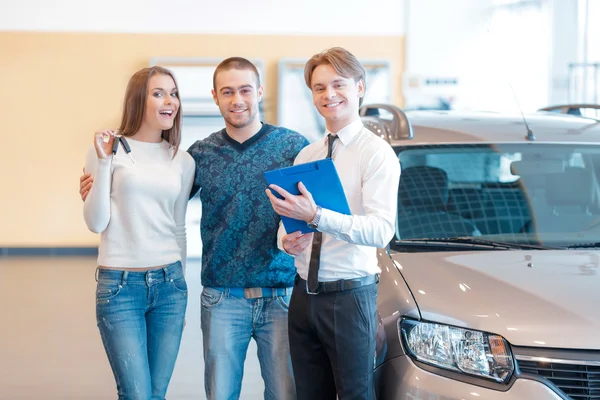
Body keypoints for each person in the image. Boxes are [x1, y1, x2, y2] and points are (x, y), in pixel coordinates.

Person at [80, 57, 309, 400]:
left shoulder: (292, 146)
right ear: (215, 97)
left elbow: (314, 208)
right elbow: (141, 205)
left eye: (245, 90)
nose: (237, 100)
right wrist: (97, 185)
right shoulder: (200, 154)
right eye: (227, 92)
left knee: (285, 393)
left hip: (279, 294)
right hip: (219, 297)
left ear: (259, 92)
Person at [265, 47, 401, 400]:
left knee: (356, 394)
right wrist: (287, 240)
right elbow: (289, 223)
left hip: (349, 297)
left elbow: (381, 230)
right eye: (319, 88)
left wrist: (317, 216)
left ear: (359, 87)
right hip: (303, 296)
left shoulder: (376, 153)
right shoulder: (307, 155)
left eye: (338, 84)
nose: (329, 95)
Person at [83, 66, 195, 399]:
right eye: (158, 93)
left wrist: (182, 287)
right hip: (119, 287)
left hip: (170, 287)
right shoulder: (107, 149)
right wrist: (103, 164)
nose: (169, 101)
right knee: (136, 394)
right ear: (138, 100)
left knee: (156, 393)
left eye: (173, 93)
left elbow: (178, 226)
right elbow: (95, 222)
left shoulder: (182, 160)